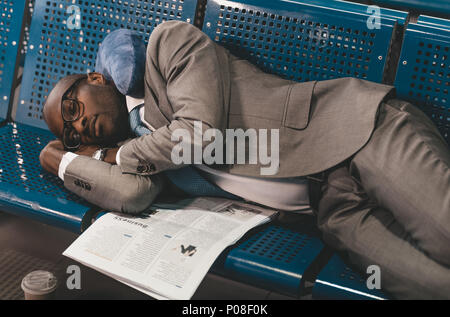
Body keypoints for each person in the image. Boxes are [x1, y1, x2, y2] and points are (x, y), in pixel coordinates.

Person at [39, 21, 450, 299]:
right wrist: (57, 158)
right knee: (429, 284)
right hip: (332, 209)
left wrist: (116, 153)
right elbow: (131, 195)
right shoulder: (138, 151)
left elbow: (199, 133)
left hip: (358, 134)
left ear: (95, 77)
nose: (81, 126)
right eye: (71, 133)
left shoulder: (168, 46)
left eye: (73, 108)